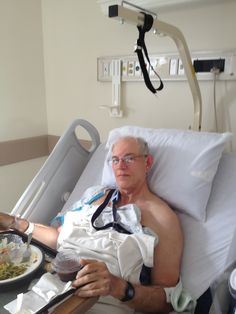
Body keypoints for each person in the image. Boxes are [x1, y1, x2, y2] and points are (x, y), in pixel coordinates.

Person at [0, 136, 184, 314]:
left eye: (129, 158)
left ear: (148, 162)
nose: (121, 165)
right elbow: (58, 238)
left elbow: (166, 301)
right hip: (44, 288)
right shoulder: (94, 196)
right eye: (115, 159)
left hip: (97, 304)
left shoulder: (162, 218)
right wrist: (14, 223)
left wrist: (118, 287)